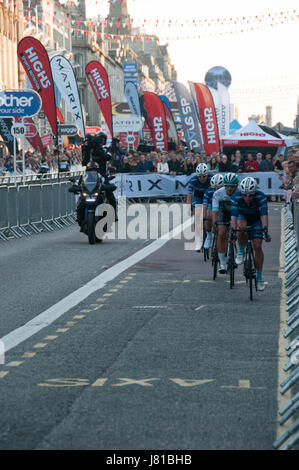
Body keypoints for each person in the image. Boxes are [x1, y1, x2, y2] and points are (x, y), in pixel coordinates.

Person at [230, 176, 271, 292]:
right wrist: (233, 232)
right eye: (245, 195)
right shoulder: (236, 197)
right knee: (241, 227)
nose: (247, 197)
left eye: (250, 195)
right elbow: (233, 218)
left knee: (257, 246)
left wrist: (265, 231)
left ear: (255, 192)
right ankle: (241, 252)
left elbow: (264, 216)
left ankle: (259, 278)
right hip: (242, 216)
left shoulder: (261, 196)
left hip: (256, 219)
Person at [82, 132, 118, 221]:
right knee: (81, 194)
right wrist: (87, 149)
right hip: (89, 176)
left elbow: (108, 157)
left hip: (102, 175)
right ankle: (81, 215)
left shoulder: (104, 150)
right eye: (99, 140)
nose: (100, 142)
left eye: (102, 140)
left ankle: (114, 213)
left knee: (110, 194)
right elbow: (84, 162)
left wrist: (102, 151)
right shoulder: (89, 150)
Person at [212, 172, 239, 273]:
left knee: (239, 230)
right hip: (223, 212)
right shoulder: (218, 193)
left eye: (232, 186)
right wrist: (215, 224)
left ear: (236, 186)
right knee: (222, 233)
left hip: (236, 212)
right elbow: (215, 212)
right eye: (227, 186)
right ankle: (222, 263)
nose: (229, 189)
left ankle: (238, 252)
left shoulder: (240, 192)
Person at [186, 163, 212, 251]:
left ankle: (210, 233)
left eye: (204, 176)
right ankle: (198, 241)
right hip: (198, 196)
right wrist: (189, 208)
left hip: (209, 197)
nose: (202, 179)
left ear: (207, 174)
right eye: (199, 176)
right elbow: (189, 195)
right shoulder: (193, 180)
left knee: (209, 215)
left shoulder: (212, 178)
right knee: (197, 216)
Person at [203, 173, 224, 249]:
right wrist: (204, 217)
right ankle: (208, 236)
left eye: (218, 188)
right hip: (212, 204)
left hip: (223, 205)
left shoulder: (226, 191)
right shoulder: (208, 192)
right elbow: (205, 206)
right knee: (208, 215)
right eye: (213, 189)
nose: (215, 191)